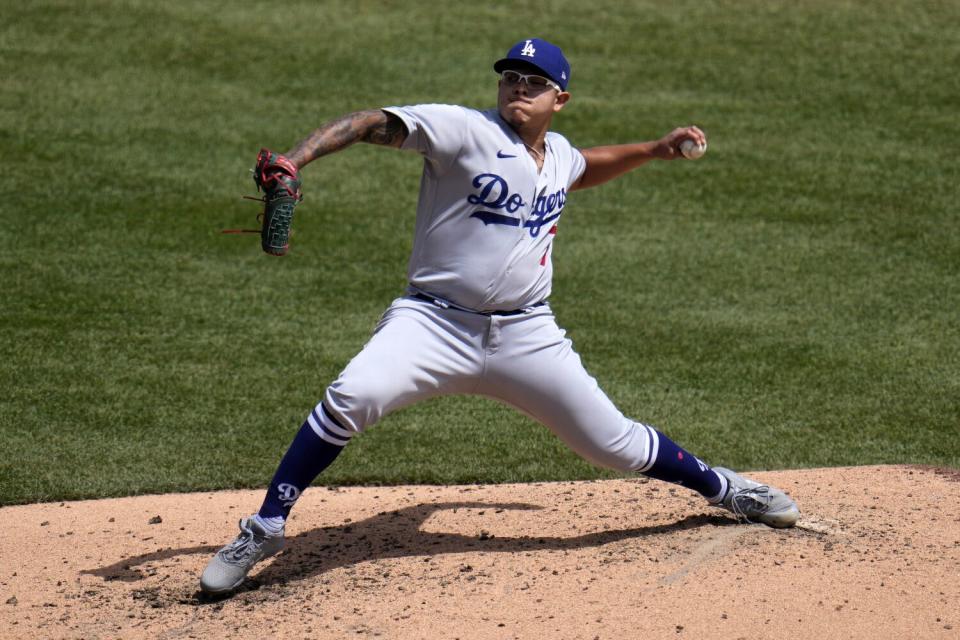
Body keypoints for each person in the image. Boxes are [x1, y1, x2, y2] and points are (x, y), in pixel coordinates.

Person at [200, 38, 799, 595]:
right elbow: (369, 123)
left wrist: (653, 150)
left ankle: (727, 488)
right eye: (510, 77)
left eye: (533, 83)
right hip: (432, 325)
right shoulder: (461, 129)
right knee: (351, 395)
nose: (517, 87)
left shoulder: (557, 154)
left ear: (558, 99)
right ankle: (266, 525)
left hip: (526, 335)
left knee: (612, 443)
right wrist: (297, 159)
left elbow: (583, 168)